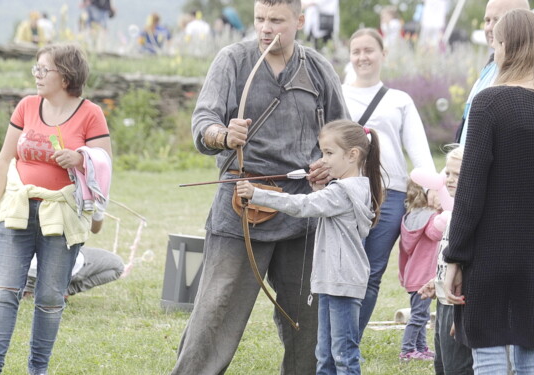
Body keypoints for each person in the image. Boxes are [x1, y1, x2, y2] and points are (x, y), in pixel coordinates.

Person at [170, 1, 348, 374]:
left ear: (299, 21)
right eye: (260, 20)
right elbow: (204, 118)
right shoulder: (232, 60)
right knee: (214, 312)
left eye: (277, 21)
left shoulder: (316, 67)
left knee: (306, 318)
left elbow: (342, 130)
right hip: (242, 202)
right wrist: (222, 134)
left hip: (303, 206)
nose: (266, 28)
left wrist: (328, 163)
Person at [442, 9, 534, 373]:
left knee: (490, 355)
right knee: (532, 358)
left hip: (492, 253)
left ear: (506, 46)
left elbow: (471, 193)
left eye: (495, 43)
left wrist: (455, 256)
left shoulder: (489, 103)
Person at [0, 43, 112, 375]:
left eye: (43, 70)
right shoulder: (26, 106)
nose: (37, 76)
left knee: (50, 300)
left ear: (65, 76)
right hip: (19, 209)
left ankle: (37, 370)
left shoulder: (90, 113)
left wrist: (79, 158)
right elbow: (5, 158)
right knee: (4, 292)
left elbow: (104, 165)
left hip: (62, 217)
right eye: (35, 69)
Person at [237, 119, 382, 375]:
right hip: (331, 280)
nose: (322, 159)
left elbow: (302, 205)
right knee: (324, 354)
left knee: (343, 355)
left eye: (329, 153)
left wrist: (257, 194)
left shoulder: (344, 191)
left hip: (342, 282)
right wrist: (319, 189)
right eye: (321, 152)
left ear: (353, 155)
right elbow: (322, 205)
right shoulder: (347, 189)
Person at [342, 28, 435, 340]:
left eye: (369, 50)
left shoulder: (399, 100)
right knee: (341, 271)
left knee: (371, 272)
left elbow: (418, 149)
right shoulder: (338, 95)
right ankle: (333, 340)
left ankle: (349, 341)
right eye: (356, 51)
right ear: (349, 56)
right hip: (345, 193)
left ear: (383, 55)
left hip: (390, 194)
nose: (362, 57)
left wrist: (432, 185)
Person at [417, 145, 473, 375]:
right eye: (448, 173)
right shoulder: (455, 211)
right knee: (442, 365)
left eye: (458, 174)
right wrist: (437, 280)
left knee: (458, 368)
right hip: (444, 300)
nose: (449, 180)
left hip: (459, 303)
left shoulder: (470, 214)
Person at [454, 0, 530, 146]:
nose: (489, 27)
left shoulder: (524, 75)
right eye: (487, 20)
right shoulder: (490, 68)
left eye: (497, 20)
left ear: (521, 22)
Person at [398, 180, 443, 362]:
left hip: (412, 275)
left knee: (421, 314)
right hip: (424, 276)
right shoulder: (431, 218)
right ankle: (407, 350)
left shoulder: (409, 216)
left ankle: (420, 348)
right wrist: (443, 214)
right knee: (419, 315)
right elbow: (436, 234)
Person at [24, 246, 125, 297]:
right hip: (66, 265)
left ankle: (29, 289)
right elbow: (94, 227)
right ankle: (64, 291)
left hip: (26, 268)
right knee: (118, 266)